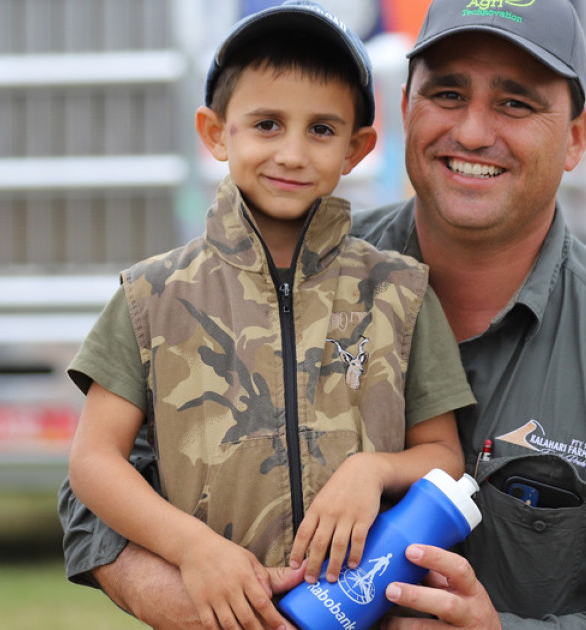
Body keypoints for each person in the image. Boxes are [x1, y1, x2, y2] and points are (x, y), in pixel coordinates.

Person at [59, 0, 586, 628]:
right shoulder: (263, 276)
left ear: (577, 136)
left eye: (515, 102)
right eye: (446, 94)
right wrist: (193, 597)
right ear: (403, 109)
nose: (473, 132)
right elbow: (97, 486)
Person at [63, 2, 473, 629]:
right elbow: (94, 463)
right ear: (214, 131)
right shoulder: (152, 296)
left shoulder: (401, 291)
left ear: (358, 148)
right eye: (267, 124)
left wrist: (374, 470)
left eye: (321, 130)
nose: (292, 152)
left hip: (356, 614)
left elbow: (444, 454)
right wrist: (193, 550)